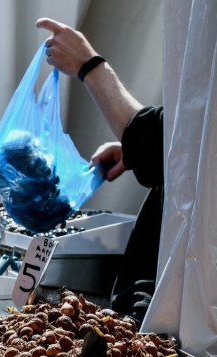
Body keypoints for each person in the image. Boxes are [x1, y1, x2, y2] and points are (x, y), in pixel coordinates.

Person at [36, 17, 163, 324]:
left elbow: (162, 140)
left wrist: (89, 66)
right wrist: (132, 153)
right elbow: (188, 142)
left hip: (161, 303)